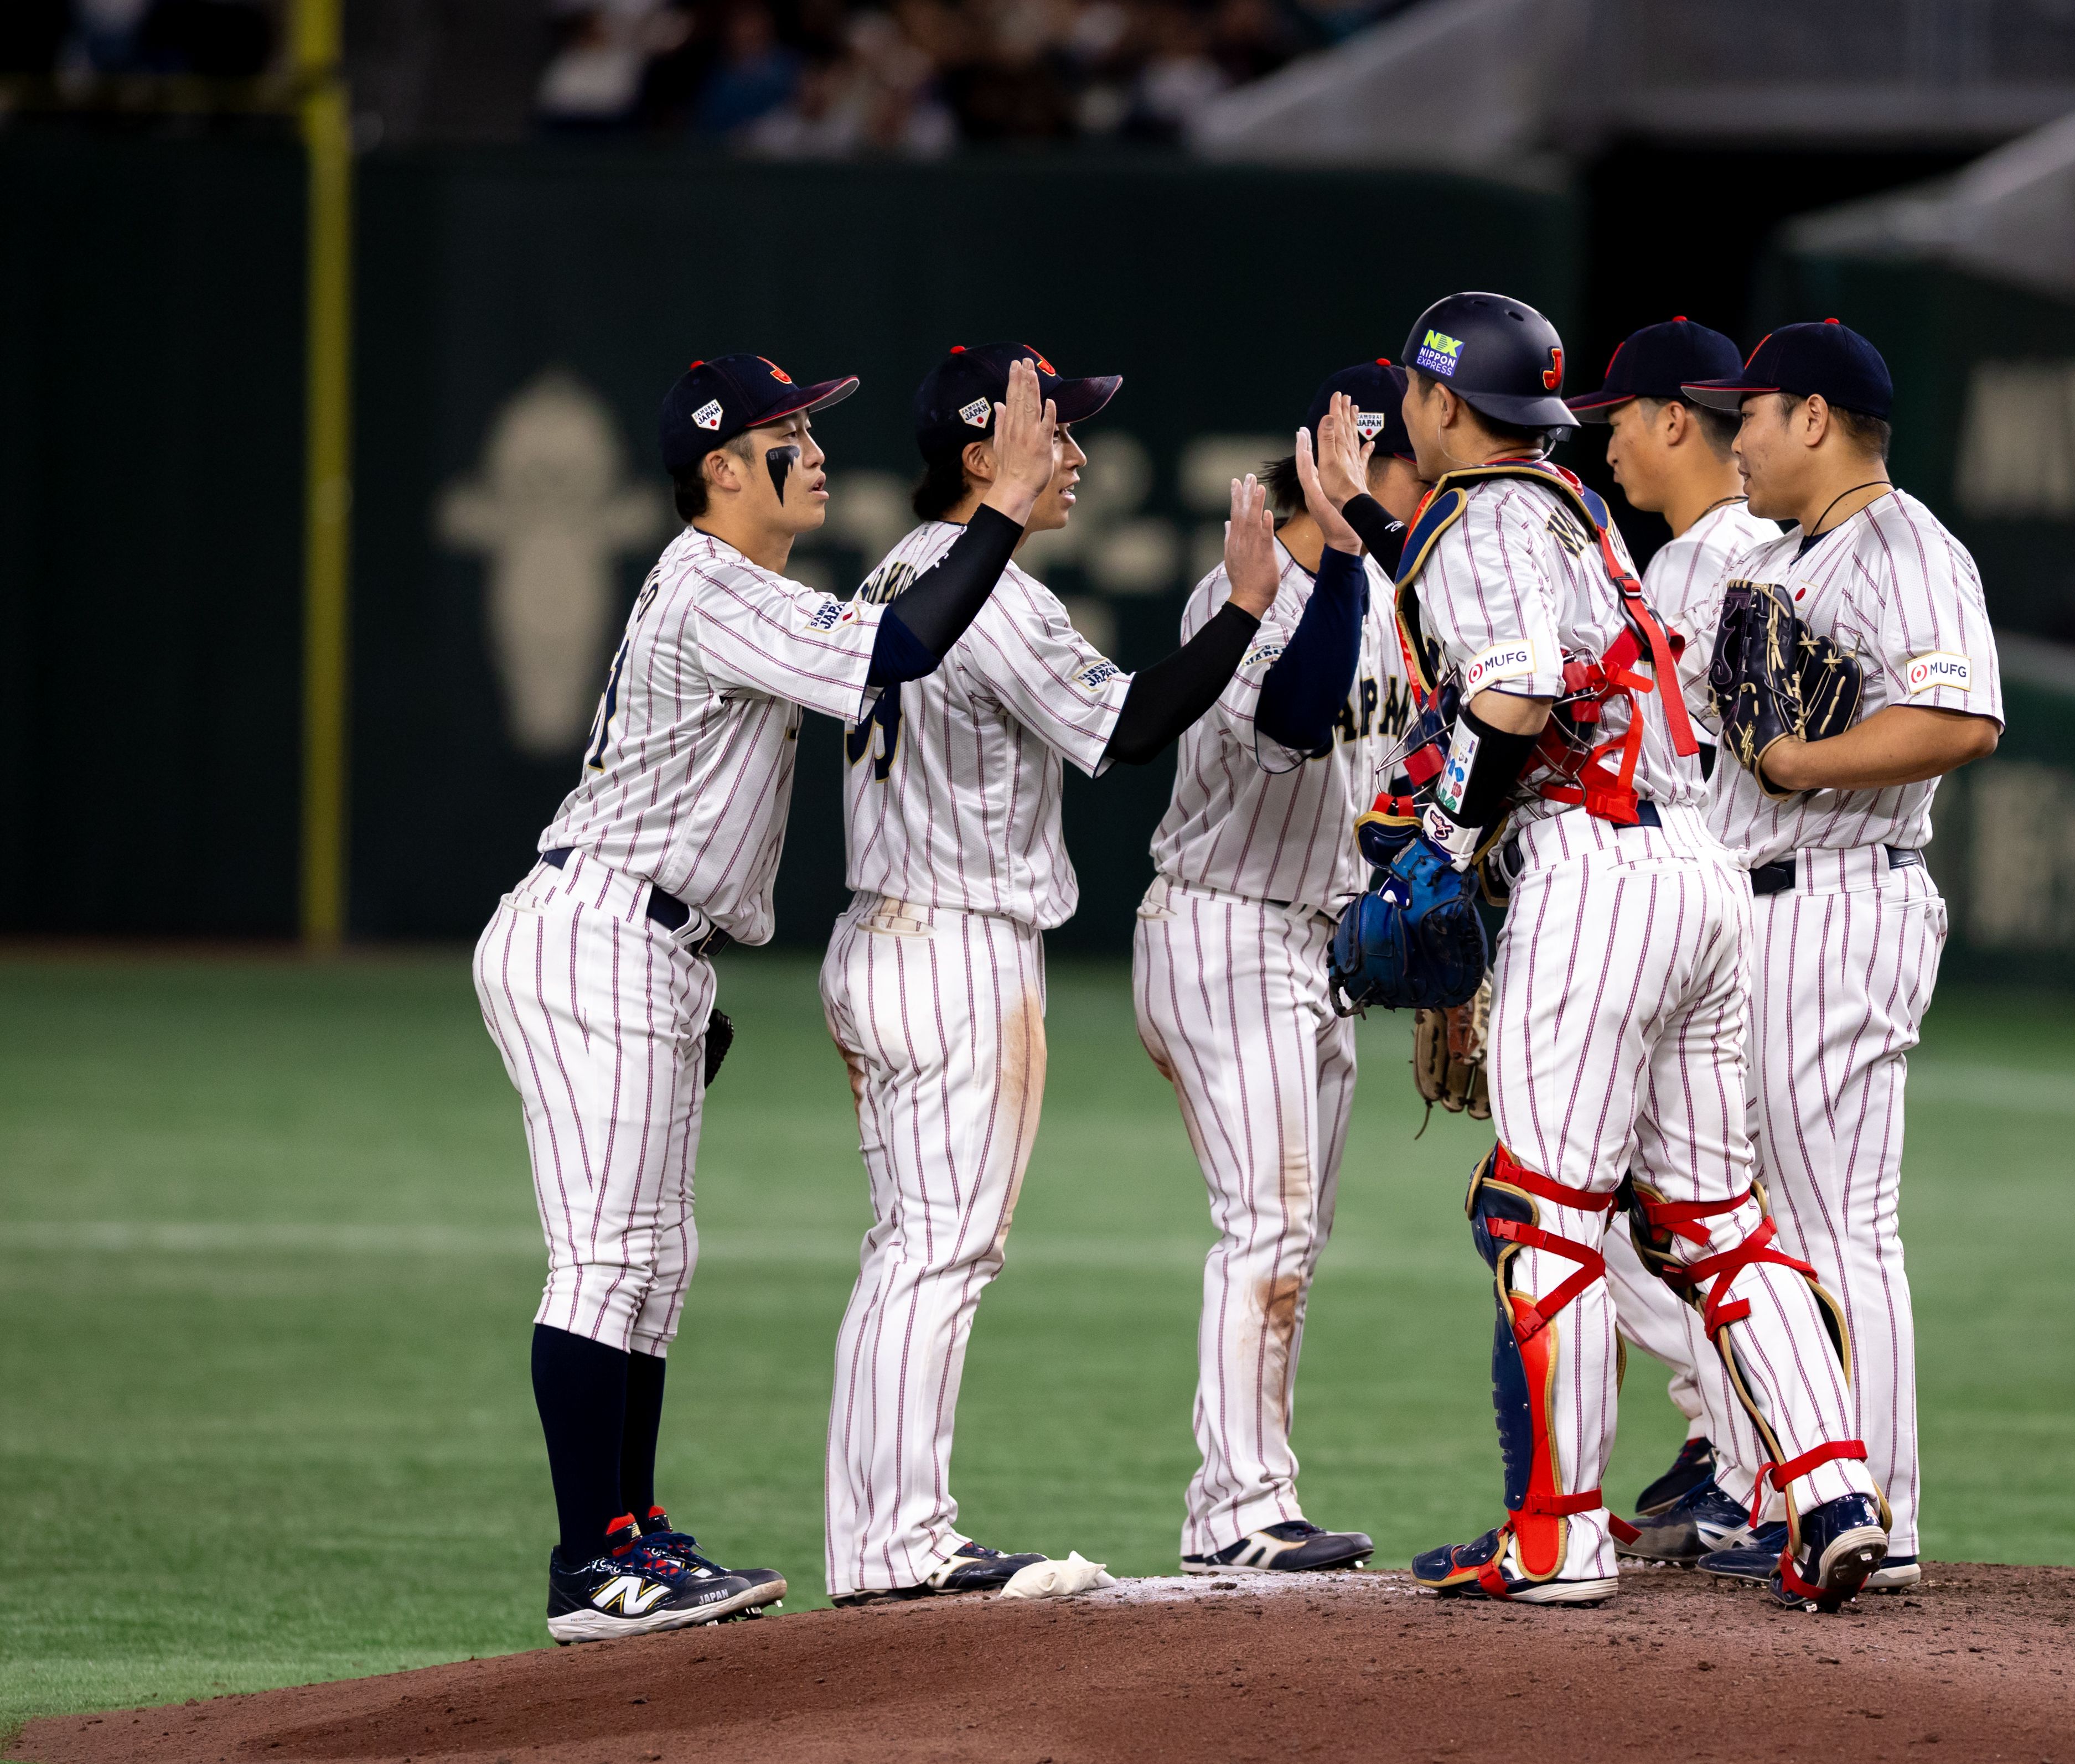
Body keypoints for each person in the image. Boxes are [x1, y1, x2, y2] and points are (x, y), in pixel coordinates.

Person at [474, 352, 1055, 1642]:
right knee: (609, 1259)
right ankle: (593, 1568)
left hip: (648, 944)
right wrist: (1004, 505)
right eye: (787, 433)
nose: (815, 449)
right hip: (601, 931)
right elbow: (902, 646)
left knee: (653, 1265)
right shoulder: (710, 582)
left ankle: (630, 1535)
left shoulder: (744, 589)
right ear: (722, 470)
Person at [1334, 292, 1886, 1609]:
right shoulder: (1576, 506)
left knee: (1546, 1212)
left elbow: (1516, 680)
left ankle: (1556, 1534)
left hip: (1595, 877)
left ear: (1444, 402)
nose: (1408, 403)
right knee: (1716, 1216)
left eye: (1416, 384)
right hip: (1697, 872)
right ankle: (1833, 1490)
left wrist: (1450, 843)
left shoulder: (1475, 517)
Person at [821, 343, 1282, 1602]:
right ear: (982, 455)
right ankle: (899, 1543)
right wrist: (1245, 612)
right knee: (941, 1254)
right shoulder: (997, 595)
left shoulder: (900, 571)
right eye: (1053, 432)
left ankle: (878, 1538)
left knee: (909, 1248)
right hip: (958, 948)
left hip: (881, 934)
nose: (1076, 453)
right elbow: (1129, 729)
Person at [1674, 318, 2006, 1594]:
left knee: (1839, 1221)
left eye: (1750, 412)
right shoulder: (1790, 556)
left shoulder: (1906, 543)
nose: (1736, 437)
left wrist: (1803, 760)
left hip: (1841, 901)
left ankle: (1884, 1507)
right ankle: (1793, 1495)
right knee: (1756, 1219)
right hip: (1756, 902)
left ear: (1814, 418)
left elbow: (1964, 717)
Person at [1134, 365, 1429, 1574]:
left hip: (1319, 943)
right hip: (1219, 927)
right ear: (1339, 458)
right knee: (1267, 1219)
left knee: (1292, 1234)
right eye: (1403, 456)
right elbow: (1296, 720)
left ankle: (1260, 1493)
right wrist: (1352, 546)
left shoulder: (1399, 591)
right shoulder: (1244, 585)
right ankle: (1236, 1508)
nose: (1425, 477)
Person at [1564, 318, 1793, 1565]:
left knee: (1688, 1210)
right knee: (1626, 1210)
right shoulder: (1675, 564)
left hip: (1730, 919)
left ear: (1671, 420)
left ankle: (1756, 1461)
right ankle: (1726, 1434)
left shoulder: (1747, 558)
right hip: (1692, 912)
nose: (1603, 441)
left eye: (1616, 418)